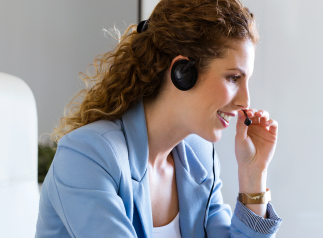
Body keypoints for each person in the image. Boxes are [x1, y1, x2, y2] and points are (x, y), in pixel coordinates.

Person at [35, 0, 282, 237]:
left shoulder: (200, 159)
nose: (245, 102)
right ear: (182, 73)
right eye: (233, 78)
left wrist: (253, 175)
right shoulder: (87, 155)